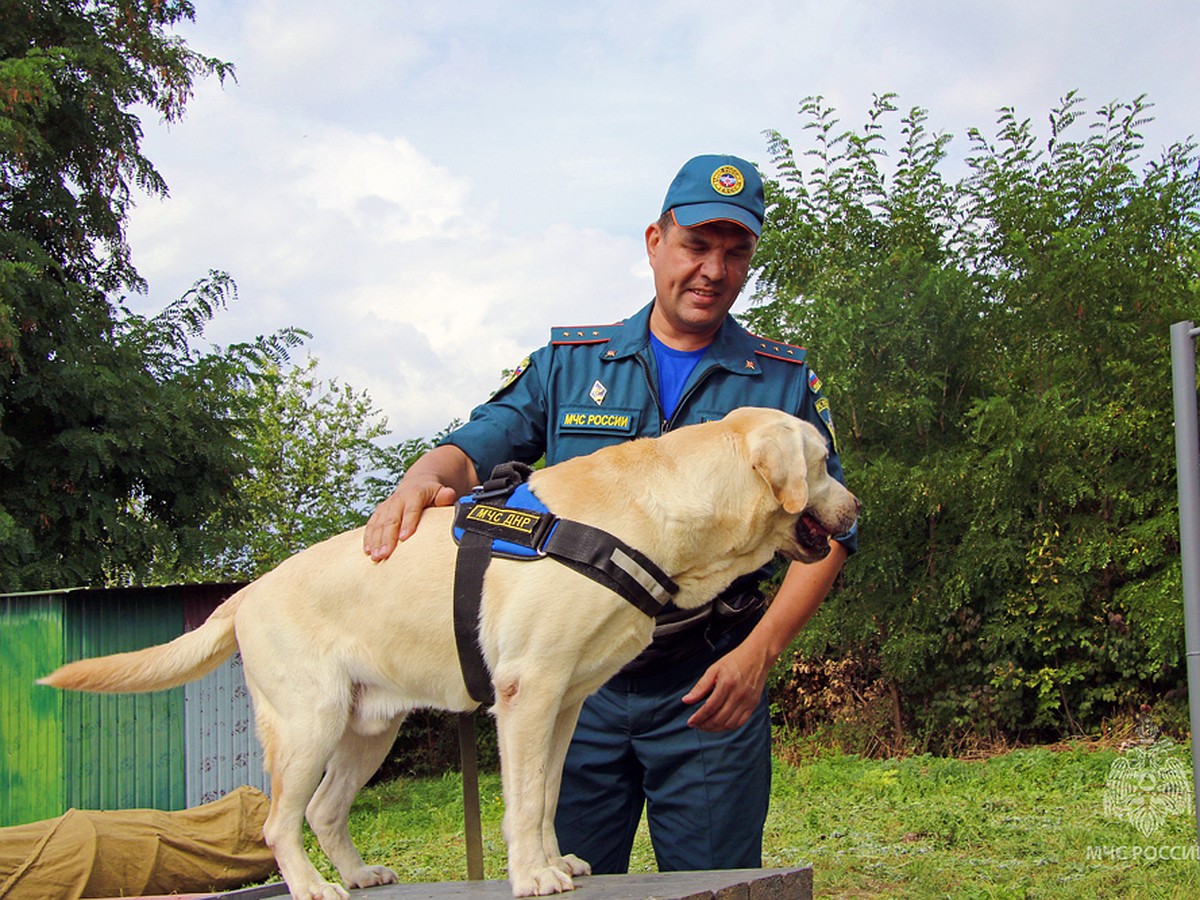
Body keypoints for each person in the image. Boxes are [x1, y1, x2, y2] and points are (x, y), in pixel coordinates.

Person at [362, 154, 857, 874]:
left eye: (735, 252)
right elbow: (471, 454)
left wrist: (759, 656)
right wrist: (419, 479)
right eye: (696, 245)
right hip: (575, 689)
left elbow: (832, 529)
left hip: (708, 684)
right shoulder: (572, 365)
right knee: (565, 885)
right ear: (655, 241)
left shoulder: (778, 383)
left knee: (715, 890)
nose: (712, 270)